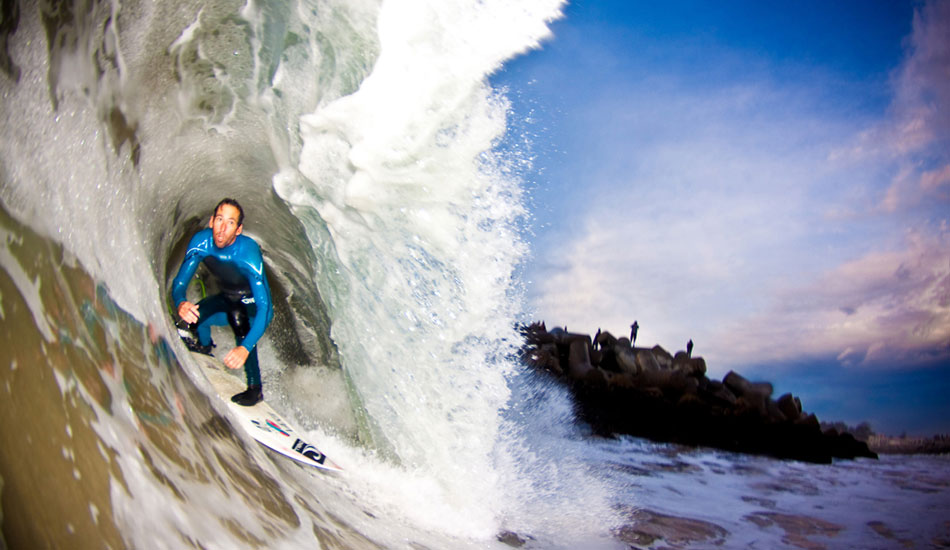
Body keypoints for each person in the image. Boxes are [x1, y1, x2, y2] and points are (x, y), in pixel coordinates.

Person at [171, 198, 274, 406]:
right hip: (227, 297)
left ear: (238, 230)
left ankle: (255, 389)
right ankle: (205, 348)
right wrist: (181, 302)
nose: (222, 228)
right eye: (219, 219)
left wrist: (244, 348)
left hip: (251, 303)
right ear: (211, 222)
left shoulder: (248, 254)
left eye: (230, 223)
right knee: (194, 319)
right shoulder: (201, 243)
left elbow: (266, 309)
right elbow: (180, 283)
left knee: (239, 319)